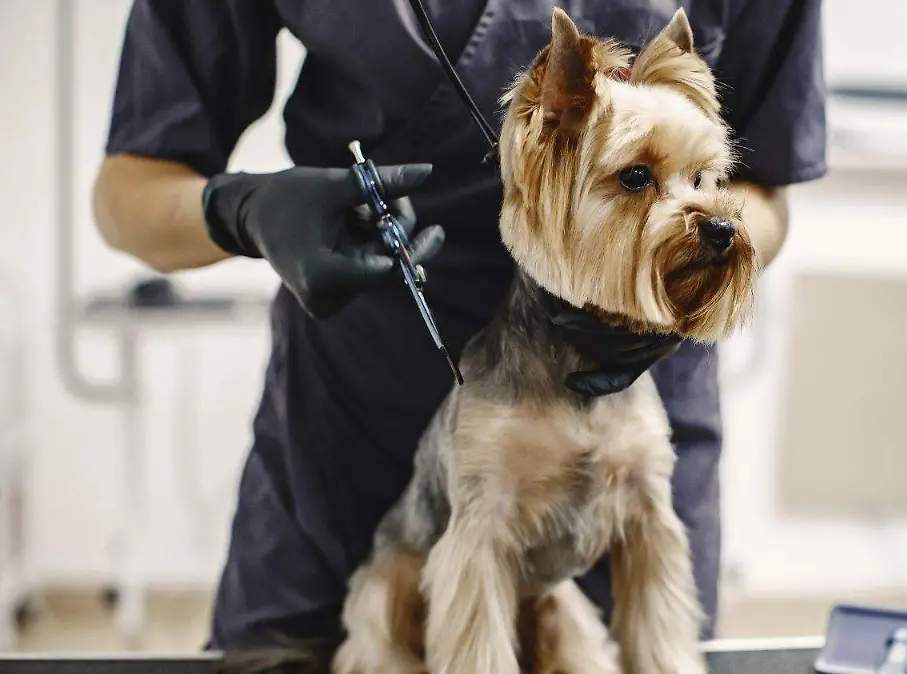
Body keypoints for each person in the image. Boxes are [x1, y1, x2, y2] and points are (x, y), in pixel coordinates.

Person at [93, 0, 827, 653]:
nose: (702, 202)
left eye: (701, 182)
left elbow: (761, 196)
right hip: (353, 407)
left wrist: (669, 282)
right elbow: (123, 192)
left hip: (636, 368)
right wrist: (241, 210)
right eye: (639, 177)